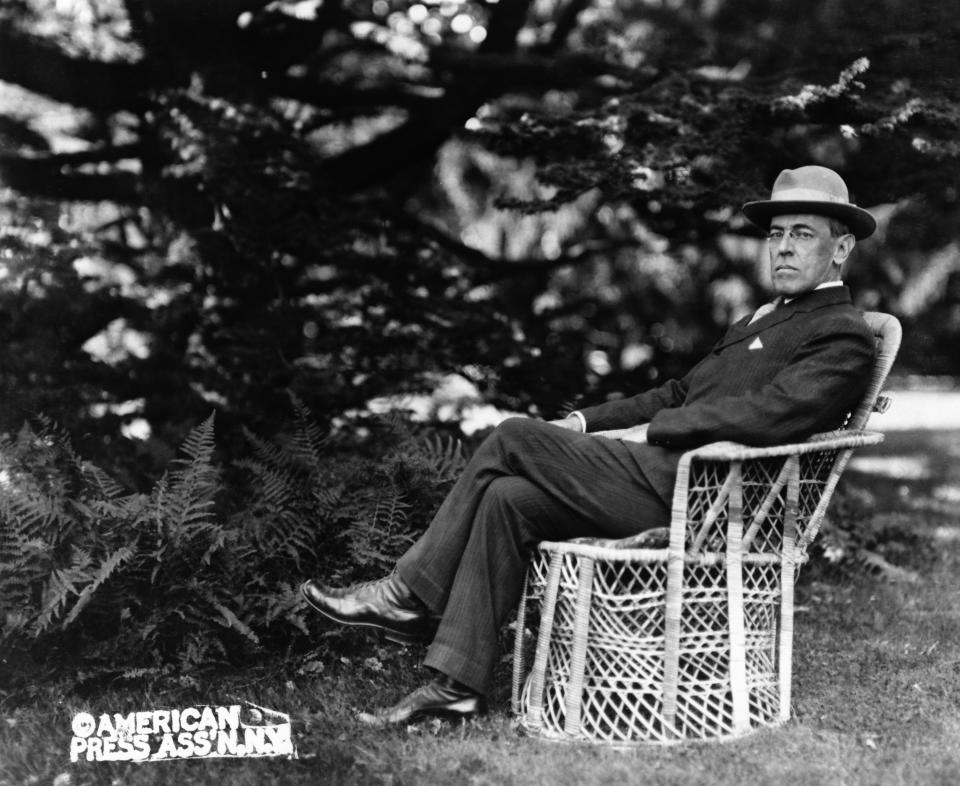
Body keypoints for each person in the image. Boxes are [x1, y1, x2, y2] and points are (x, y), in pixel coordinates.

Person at [301, 164, 878, 726]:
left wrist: (652, 431)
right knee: (507, 497)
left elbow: (771, 415)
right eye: (776, 234)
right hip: (660, 480)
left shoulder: (841, 332)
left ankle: (406, 593)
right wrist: (585, 421)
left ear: (842, 248)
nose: (782, 247)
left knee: (513, 436)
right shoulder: (758, 321)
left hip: (708, 503)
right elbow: (677, 392)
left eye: (802, 234)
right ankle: (455, 685)